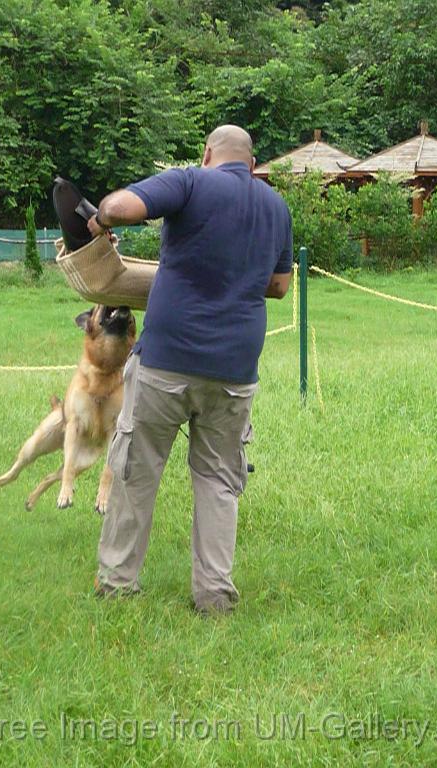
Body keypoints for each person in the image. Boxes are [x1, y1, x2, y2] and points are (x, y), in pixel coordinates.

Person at [87, 124, 293, 615]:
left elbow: (119, 209)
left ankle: (117, 585)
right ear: (252, 163)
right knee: (219, 481)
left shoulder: (189, 181)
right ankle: (215, 597)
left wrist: (100, 219)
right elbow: (280, 285)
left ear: (207, 154)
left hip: (167, 362)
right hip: (236, 369)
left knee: (137, 470)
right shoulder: (276, 207)